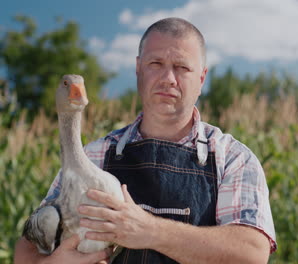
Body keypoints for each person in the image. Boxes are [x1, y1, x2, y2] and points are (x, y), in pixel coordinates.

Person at [14, 17, 276, 264]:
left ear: (201, 78)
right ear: (138, 68)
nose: (168, 79)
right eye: (156, 64)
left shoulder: (232, 158)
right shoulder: (94, 155)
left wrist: (149, 230)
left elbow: (252, 252)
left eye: (182, 67)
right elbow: (29, 246)